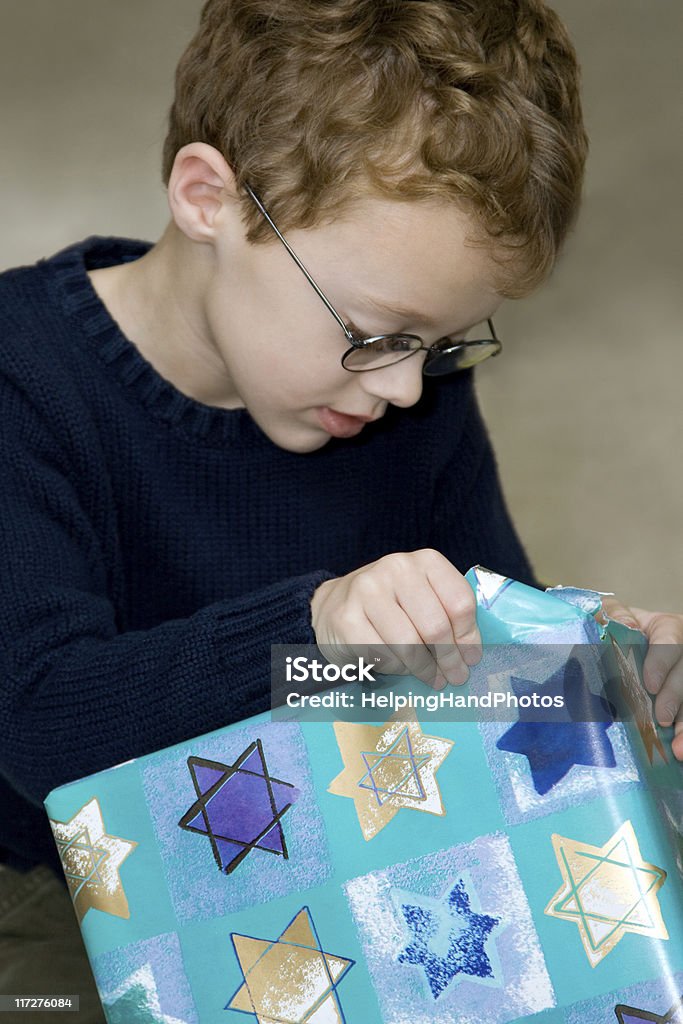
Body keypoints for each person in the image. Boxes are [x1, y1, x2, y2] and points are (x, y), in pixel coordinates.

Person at [1, 0, 681, 1016]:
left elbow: (478, 681)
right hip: (56, 887)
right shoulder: (25, 377)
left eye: (441, 344)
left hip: (334, 867)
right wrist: (315, 625)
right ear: (207, 199)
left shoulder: (404, 399)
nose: (405, 389)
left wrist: (595, 677)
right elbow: (42, 724)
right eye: (376, 332)